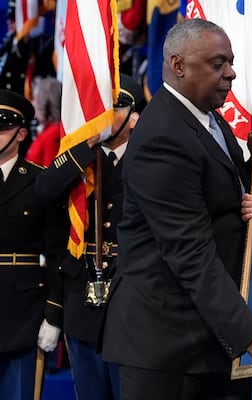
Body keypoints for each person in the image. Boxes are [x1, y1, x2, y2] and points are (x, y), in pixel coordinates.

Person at [101, 18, 252, 400]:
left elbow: (221, 194)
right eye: (217, 63)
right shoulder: (163, 134)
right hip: (168, 347)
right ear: (178, 65)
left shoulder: (206, 119)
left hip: (208, 338)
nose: (231, 73)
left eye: (229, 62)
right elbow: (190, 253)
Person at [34, 74, 146, 400]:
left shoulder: (147, 157)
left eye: (114, 108)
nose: (103, 117)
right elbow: (44, 190)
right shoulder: (82, 160)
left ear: (133, 116)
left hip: (132, 295)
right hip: (83, 300)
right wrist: (86, 147)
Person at [0, 89, 67, 400]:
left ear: (22, 133)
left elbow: (57, 254)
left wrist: (54, 314)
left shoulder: (39, 182)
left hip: (24, 313)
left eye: (4, 127)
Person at [25, 77, 62, 167]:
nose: (32, 103)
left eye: (35, 99)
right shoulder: (49, 129)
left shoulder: (53, 134)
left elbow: (50, 173)